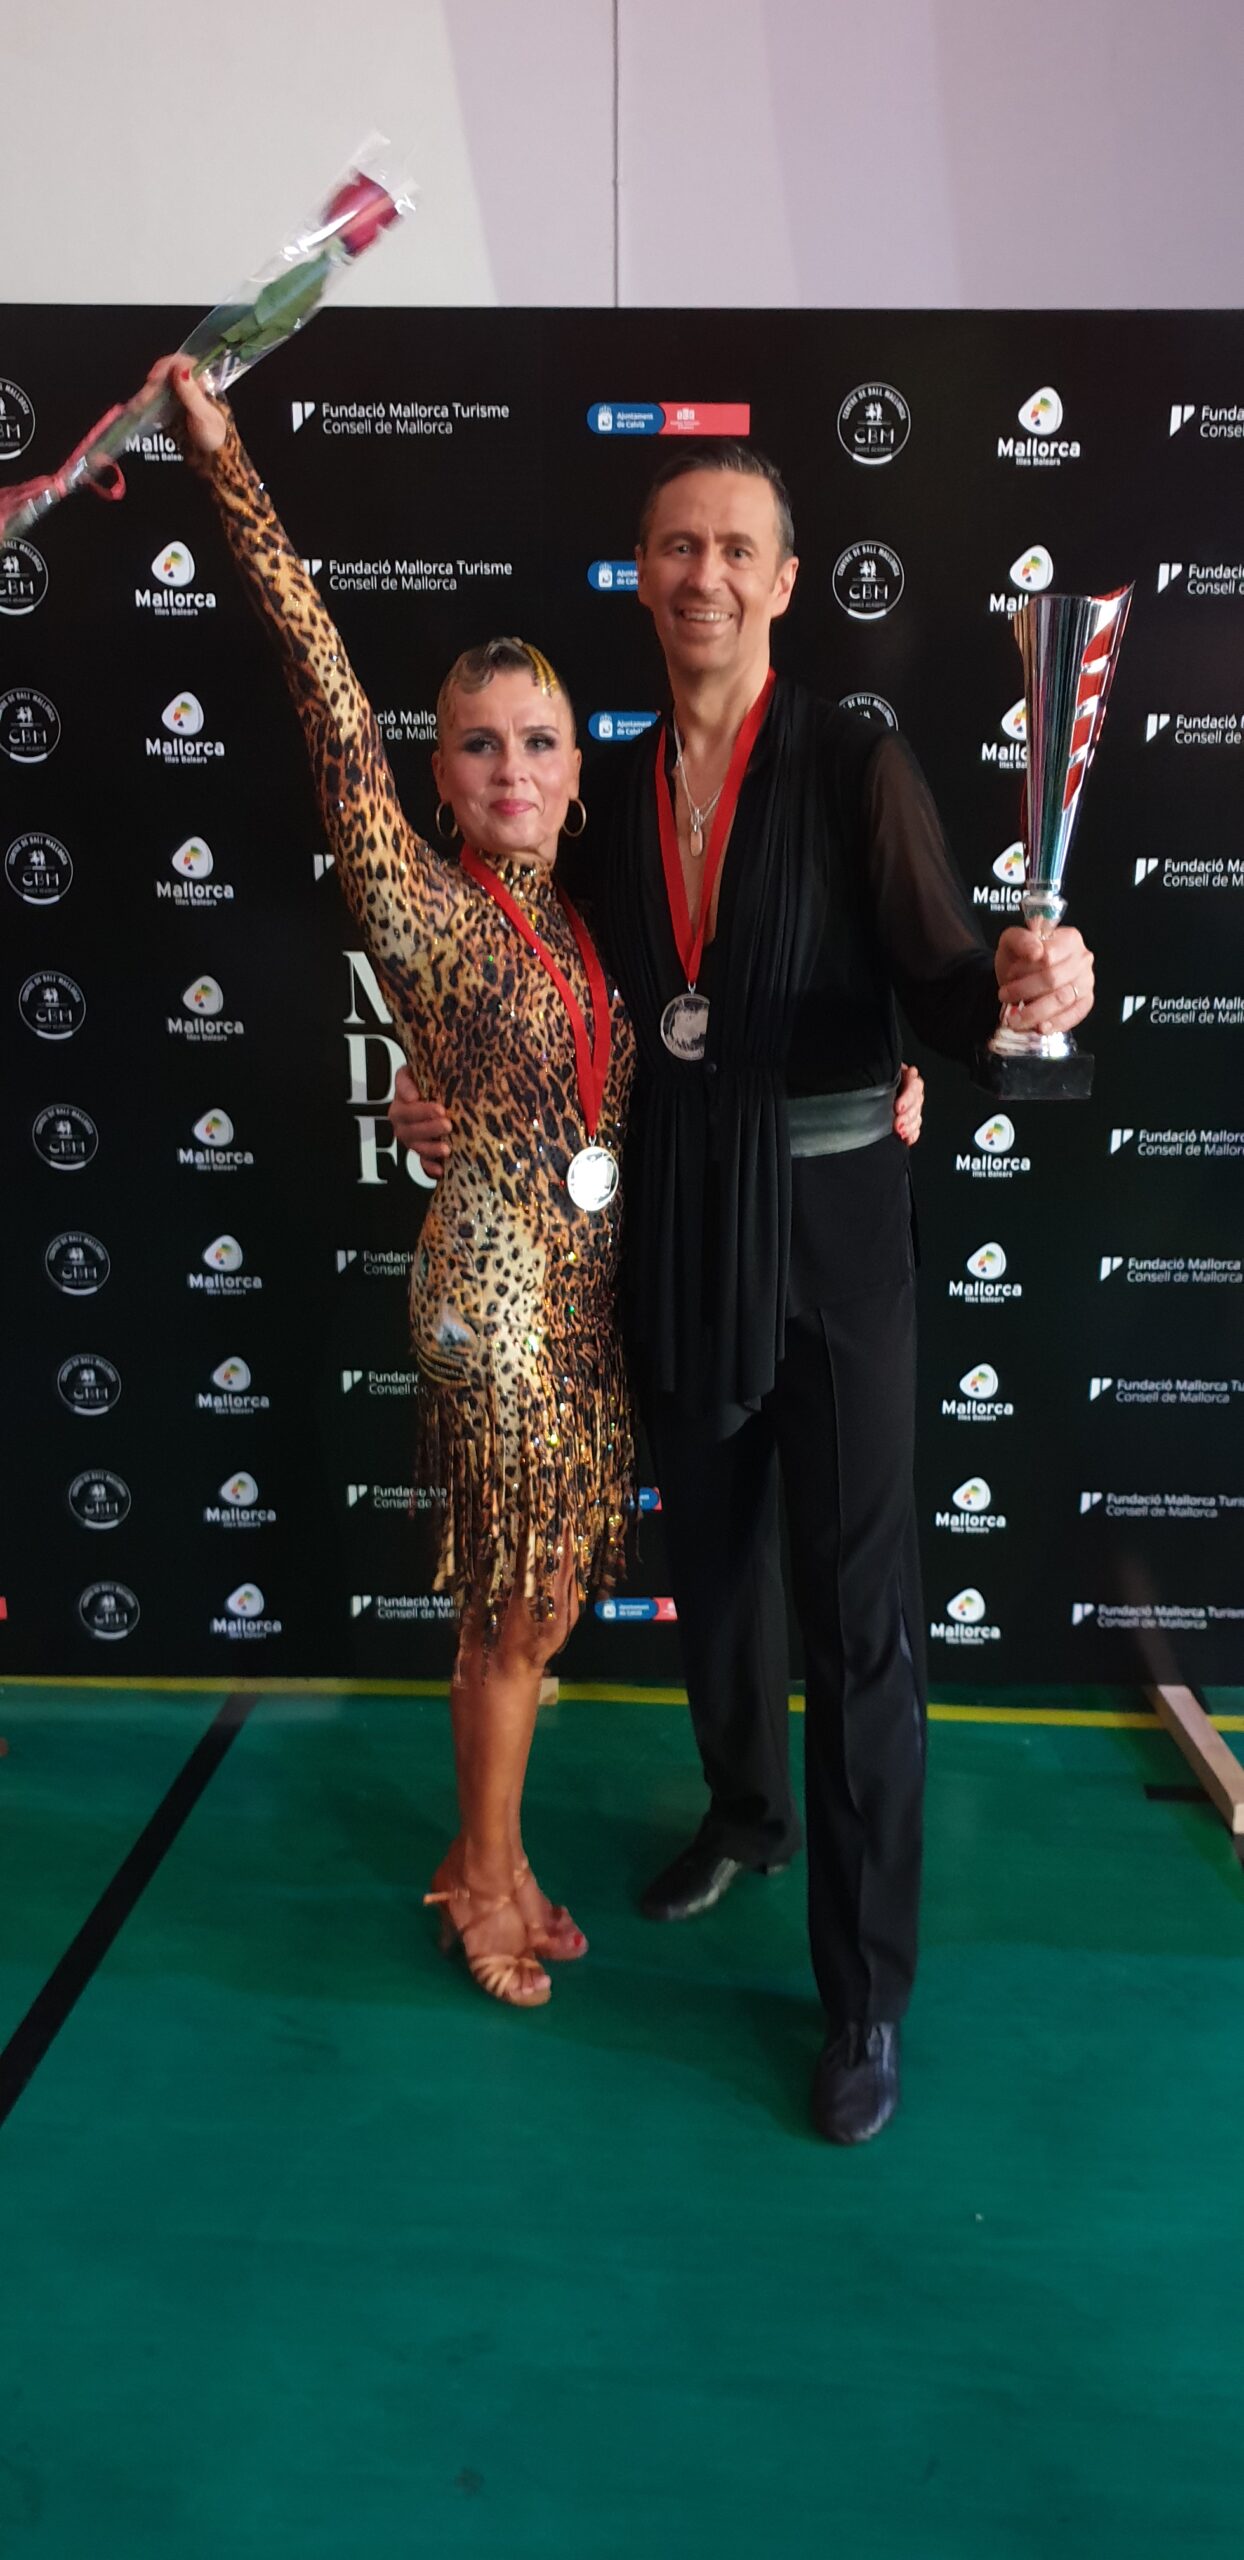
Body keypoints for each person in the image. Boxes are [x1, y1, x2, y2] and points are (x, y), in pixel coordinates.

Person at [392, 438, 1095, 2139]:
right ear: (642, 574)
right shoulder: (616, 788)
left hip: (836, 1230)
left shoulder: (852, 755)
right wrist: (445, 1088)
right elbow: (556, 994)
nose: (701, 573)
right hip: (680, 1224)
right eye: (674, 545)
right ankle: (746, 1815)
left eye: (734, 548)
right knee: (713, 1569)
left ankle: (863, 1998)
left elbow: (946, 978)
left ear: (782, 582)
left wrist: (1031, 985)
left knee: (857, 1621)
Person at [153, 355, 636, 2010]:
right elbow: (320, 681)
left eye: (539, 742)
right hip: (488, 1301)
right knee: (512, 1608)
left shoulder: (585, 927)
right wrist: (228, 466)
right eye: (478, 747)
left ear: (577, 766)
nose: (513, 769)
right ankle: (483, 1881)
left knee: (542, 1603)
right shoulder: (422, 903)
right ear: (434, 776)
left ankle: (487, 1849)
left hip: (581, 1297)